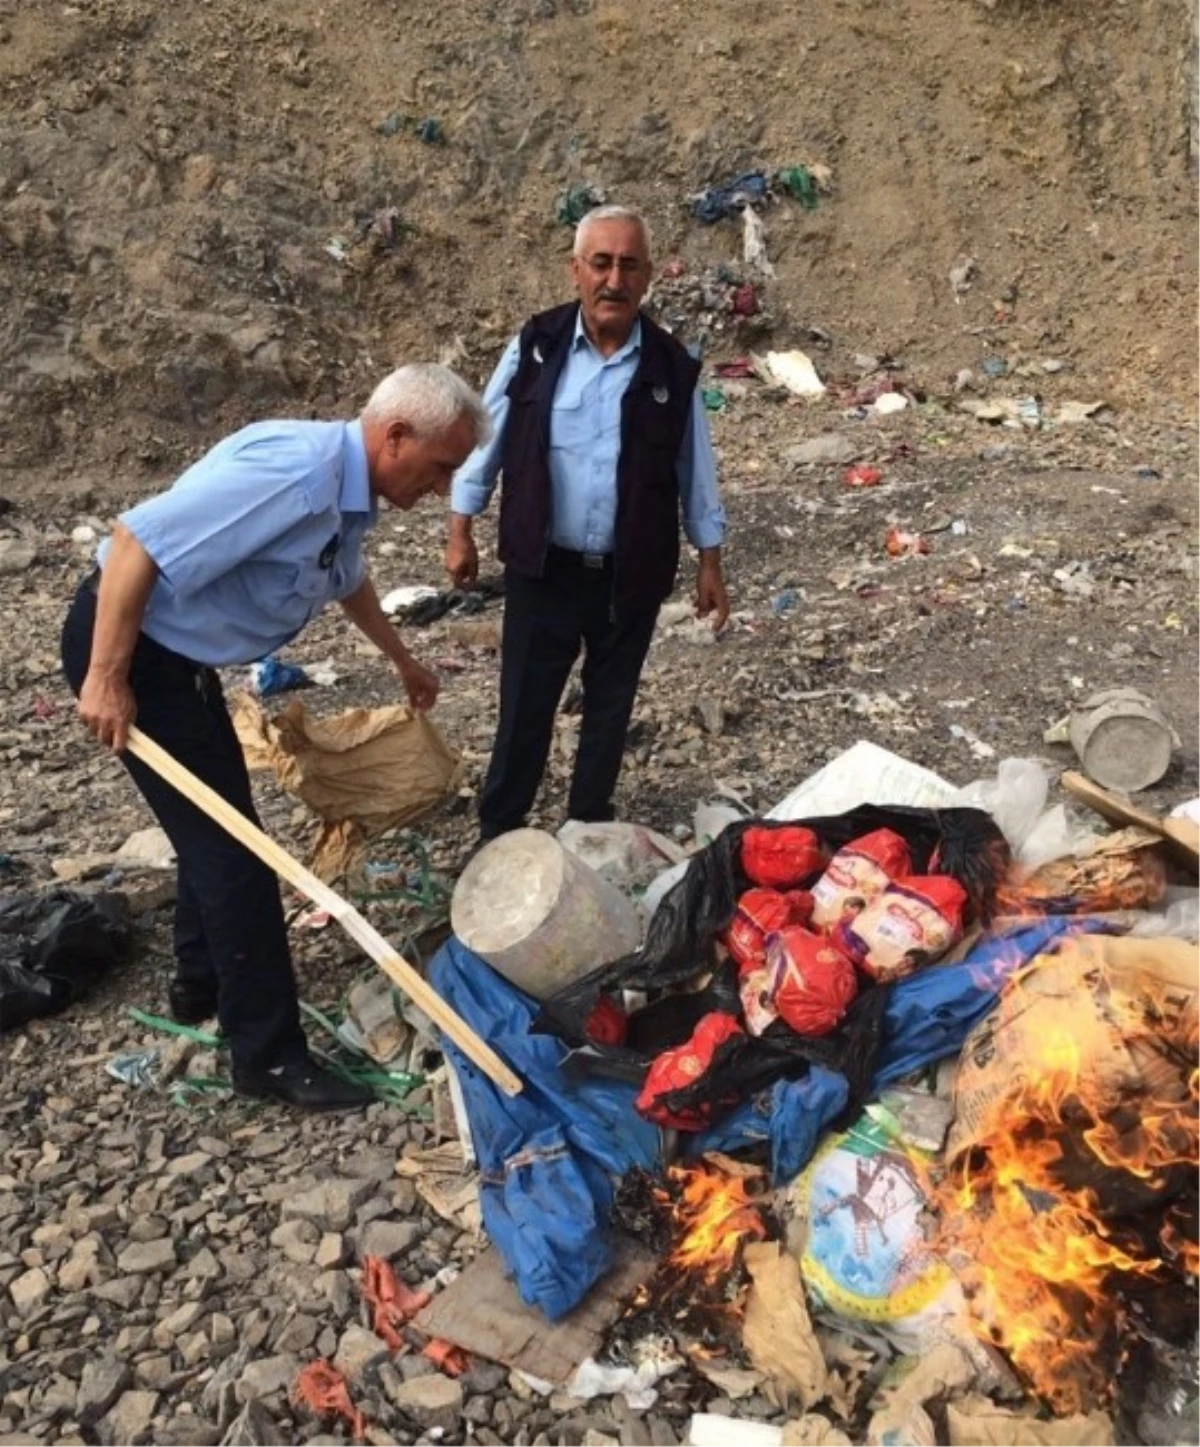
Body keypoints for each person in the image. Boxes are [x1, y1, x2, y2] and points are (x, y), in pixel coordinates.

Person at [61, 365, 490, 1111]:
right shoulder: (294, 474)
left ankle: (200, 982)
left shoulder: (349, 494)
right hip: (135, 654)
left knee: (220, 827)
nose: (444, 484)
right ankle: (268, 1058)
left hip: (179, 662)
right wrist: (105, 675)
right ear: (395, 437)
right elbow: (136, 541)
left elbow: (344, 576)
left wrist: (402, 658)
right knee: (238, 859)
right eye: (443, 465)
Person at [446, 205, 729, 842]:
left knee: (609, 709)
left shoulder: (670, 367)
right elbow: (485, 437)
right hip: (544, 566)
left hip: (630, 572)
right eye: (600, 263)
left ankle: (588, 833)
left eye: (629, 265)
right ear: (576, 270)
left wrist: (710, 561)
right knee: (524, 707)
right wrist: (460, 526)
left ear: (648, 276)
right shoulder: (537, 345)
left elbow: (696, 468)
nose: (613, 279)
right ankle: (501, 833)